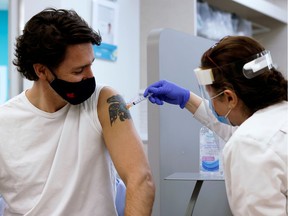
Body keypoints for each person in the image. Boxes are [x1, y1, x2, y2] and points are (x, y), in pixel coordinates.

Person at [0, 8, 155, 215]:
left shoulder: (104, 102)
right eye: (78, 71)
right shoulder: (4, 124)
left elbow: (141, 179)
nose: (90, 76)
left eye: (90, 65)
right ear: (42, 70)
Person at [144, 36, 287, 215]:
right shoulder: (277, 118)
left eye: (211, 96)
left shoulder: (248, 144)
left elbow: (246, 138)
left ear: (229, 98)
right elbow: (240, 129)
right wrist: (186, 98)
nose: (211, 103)